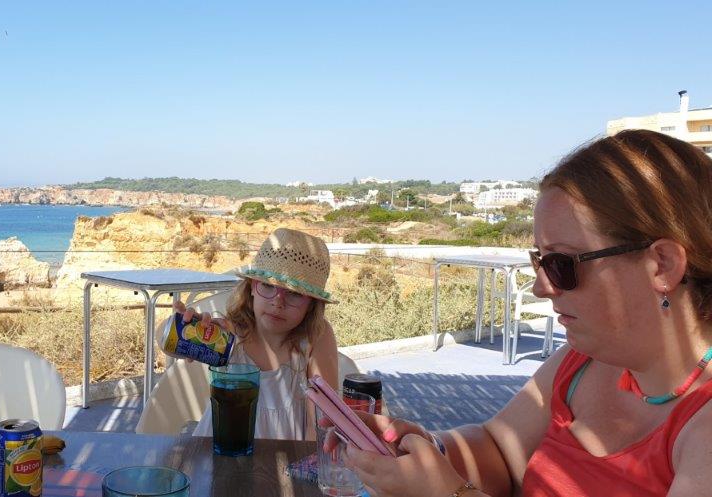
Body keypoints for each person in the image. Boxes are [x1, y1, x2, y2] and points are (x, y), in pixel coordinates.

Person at [332, 130, 712, 497]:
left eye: (562, 263)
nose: (541, 286)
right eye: (539, 260)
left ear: (661, 265)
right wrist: (426, 452)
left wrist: (446, 494)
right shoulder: (585, 360)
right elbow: (502, 450)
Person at [178, 227, 340, 441]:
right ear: (252, 287)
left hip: (286, 464)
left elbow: (323, 421)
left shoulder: (315, 337)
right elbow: (166, 343)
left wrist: (310, 467)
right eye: (267, 285)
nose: (278, 301)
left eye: (294, 293)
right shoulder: (228, 333)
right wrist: (183, 330)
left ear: (311, 304)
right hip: (221, 453)